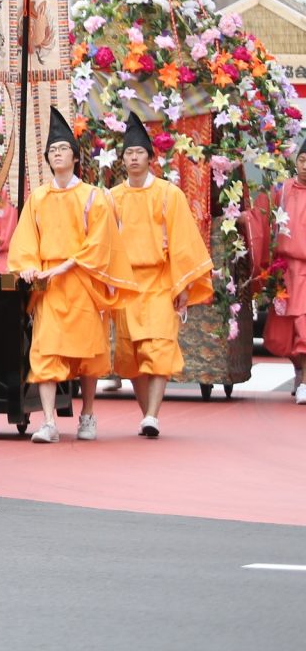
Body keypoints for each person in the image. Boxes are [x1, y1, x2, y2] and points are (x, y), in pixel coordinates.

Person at [7, 108, 133, 444]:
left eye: (62, 149)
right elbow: (25, 242)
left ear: (75, 158)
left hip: (81, 281)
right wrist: (30, 267)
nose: (56, 155)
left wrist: (64, 266)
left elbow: (99, 244)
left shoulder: (92, 196)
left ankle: (88, 414)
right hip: (48, 286)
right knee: (45, 351)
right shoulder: (38, 198)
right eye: (52, 151)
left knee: (87, 354)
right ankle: (48, 421)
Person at [108, 112, 214, 437]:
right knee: (131, 353)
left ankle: (152, 414)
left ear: (151, 158)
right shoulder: (112, 198)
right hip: (127, 285)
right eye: (129, 153)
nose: (135, 158)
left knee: (159, 346)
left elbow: (183, 243)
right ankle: (147, 415)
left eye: (140, 153)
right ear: (122, 159)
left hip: (160, 282)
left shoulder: (169, 195)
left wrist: (183, 285)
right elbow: (105, 245)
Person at [247, 141, 306, 405]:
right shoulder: (281, 190)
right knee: (283, 332)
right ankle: (300, 370)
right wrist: (244, 219)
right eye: (303, 160)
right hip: (286, 271)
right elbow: (260, 216)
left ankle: (305, 381)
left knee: (304, 325)